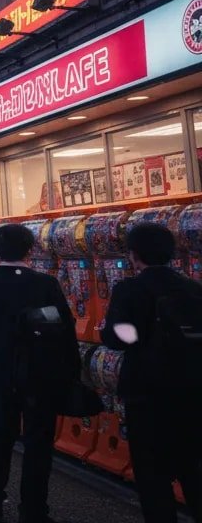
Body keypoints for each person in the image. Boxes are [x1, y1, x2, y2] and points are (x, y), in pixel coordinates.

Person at [0, 223, 78, 523]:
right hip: (39, 371)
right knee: (38, 439)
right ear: (31, 249)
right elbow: (64, 328)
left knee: (3, 429)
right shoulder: (45, 284)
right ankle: (33, 508)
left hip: (1, 368)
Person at [101, 223, 202, 522]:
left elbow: (118, 337)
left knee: (152, 472)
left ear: (134, 254)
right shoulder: (193, 287)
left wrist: (129, 335)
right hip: (192, 387)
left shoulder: (129, 289)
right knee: (193, 466)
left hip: (146, 390)